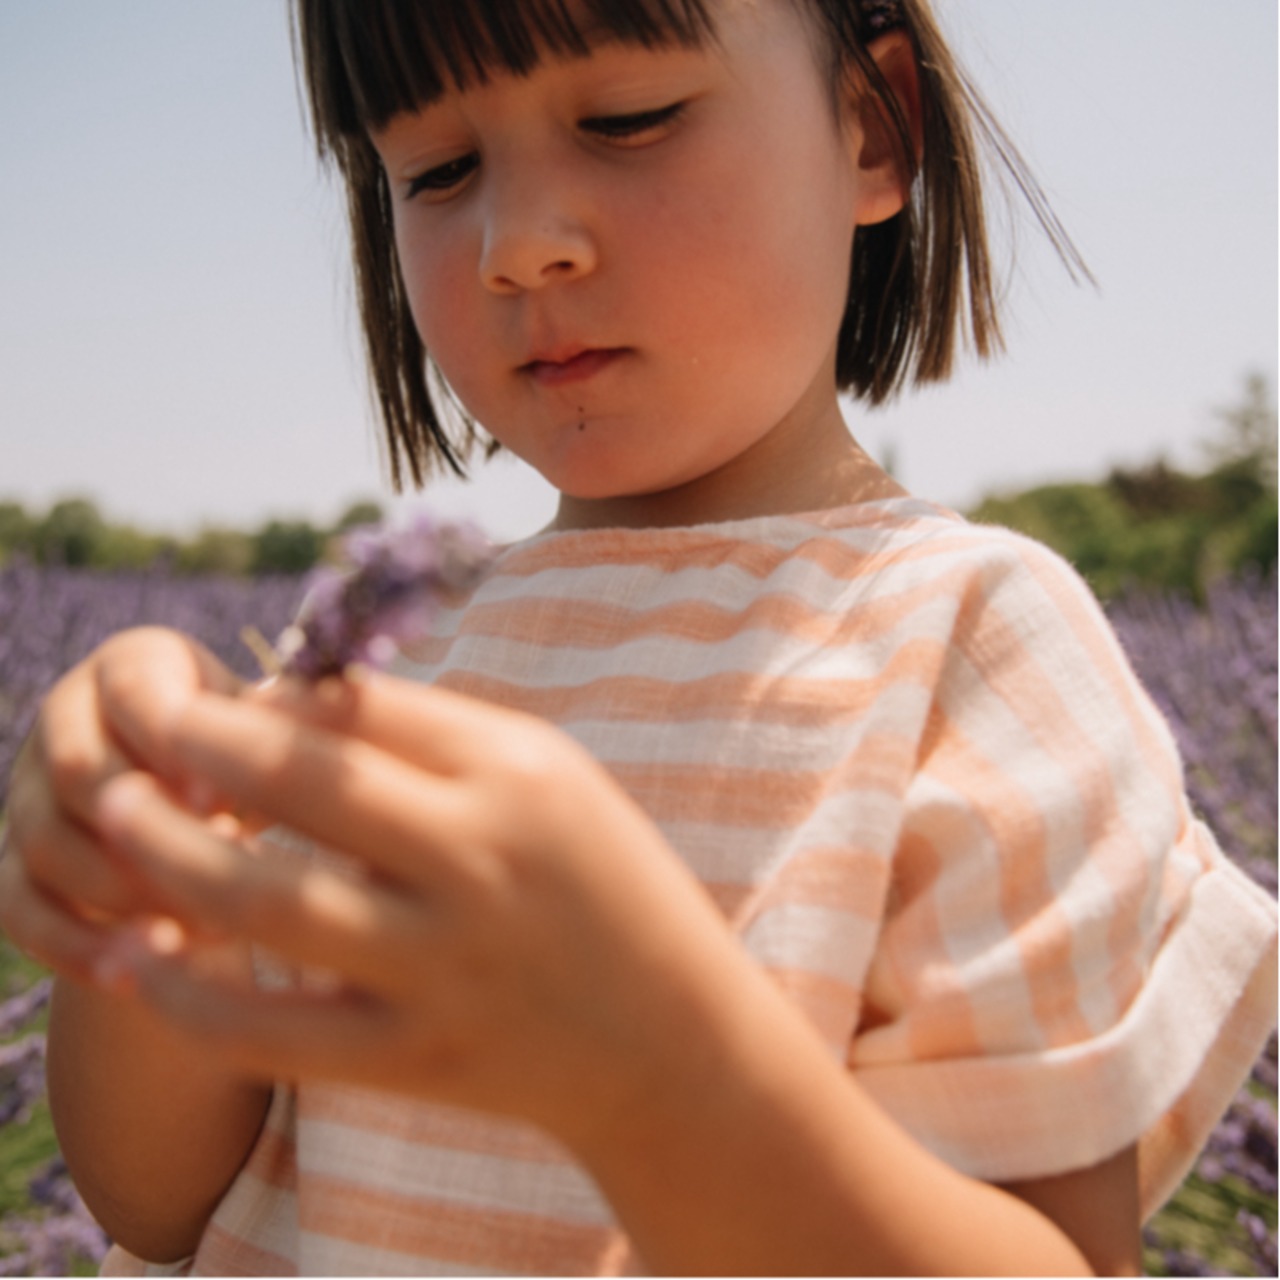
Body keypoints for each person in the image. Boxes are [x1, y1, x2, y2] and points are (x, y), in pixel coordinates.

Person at [1, 0, 1274, 1273]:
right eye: (436, 170)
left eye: (627, 120)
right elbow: (157, 1195)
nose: (517, 245)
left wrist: (646, 1073)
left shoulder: (969, 647)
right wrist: (143, 881)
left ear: (873, 128)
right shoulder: (388, 655)